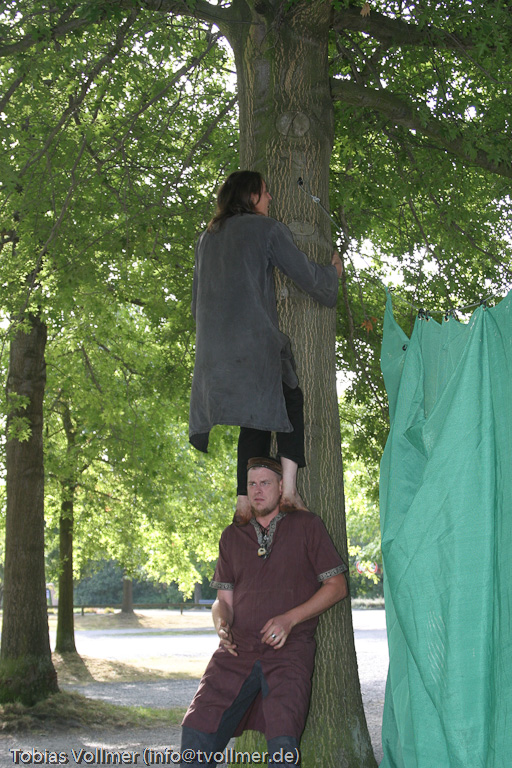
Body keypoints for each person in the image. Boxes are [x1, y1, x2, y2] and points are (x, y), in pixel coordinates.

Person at [188, 170, 342, 524]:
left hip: (213, 354)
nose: (271, 197)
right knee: (290, 399)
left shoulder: (206, 238)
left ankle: (243, 502)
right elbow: (305, 275)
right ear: (251, 196)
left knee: (253, 419)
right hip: (253, 346)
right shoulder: (267, 229)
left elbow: (196, 303)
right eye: (265, 191)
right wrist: (332, 275)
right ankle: (289, 492)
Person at [180, 457, 348, 767]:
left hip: (289, 651)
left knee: (283, 739)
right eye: (252, 484)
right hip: (236, 650)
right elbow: (223, 601)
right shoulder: (232, 535)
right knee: (198, 725)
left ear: (282, 486)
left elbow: (337, 586)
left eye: (265, 483)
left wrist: (289, 619)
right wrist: (221, 624)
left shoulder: (307, 525)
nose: (257, 490)